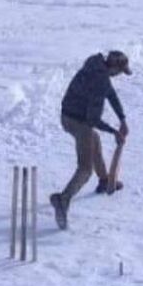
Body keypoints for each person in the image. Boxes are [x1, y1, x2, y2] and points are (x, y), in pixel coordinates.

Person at [50, 50, 131, 229]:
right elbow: (92, 120)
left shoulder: (98, 67)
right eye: (120, 71)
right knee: (86, 168)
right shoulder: (99, 80)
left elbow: (112, 95)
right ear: (114, 68)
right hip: (76, 121)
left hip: (68, 115)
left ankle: (104, 180)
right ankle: (62, 200)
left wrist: (122, 119)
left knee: (94, 138)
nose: (119, 75)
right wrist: (114, 132)